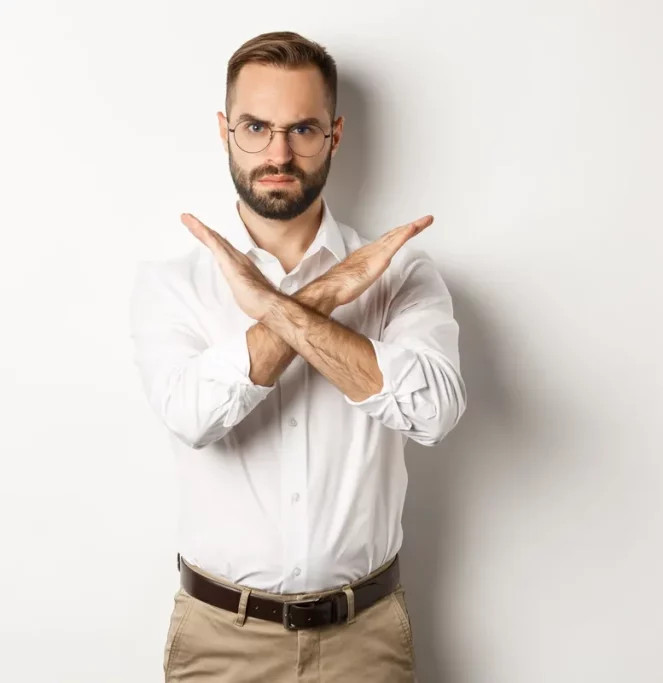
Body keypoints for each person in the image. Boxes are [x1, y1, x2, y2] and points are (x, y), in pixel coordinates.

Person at [128, 30, 467, 682]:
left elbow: (433, 411)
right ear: (226, 130)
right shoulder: (172, 283)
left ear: (334, 135)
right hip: (220, 642)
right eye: (256, 126)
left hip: (366, 640)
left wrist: (278, 307)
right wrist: (324, 296)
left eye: (302, 129)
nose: (278, 152)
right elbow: (193, 414)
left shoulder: (400, 275)